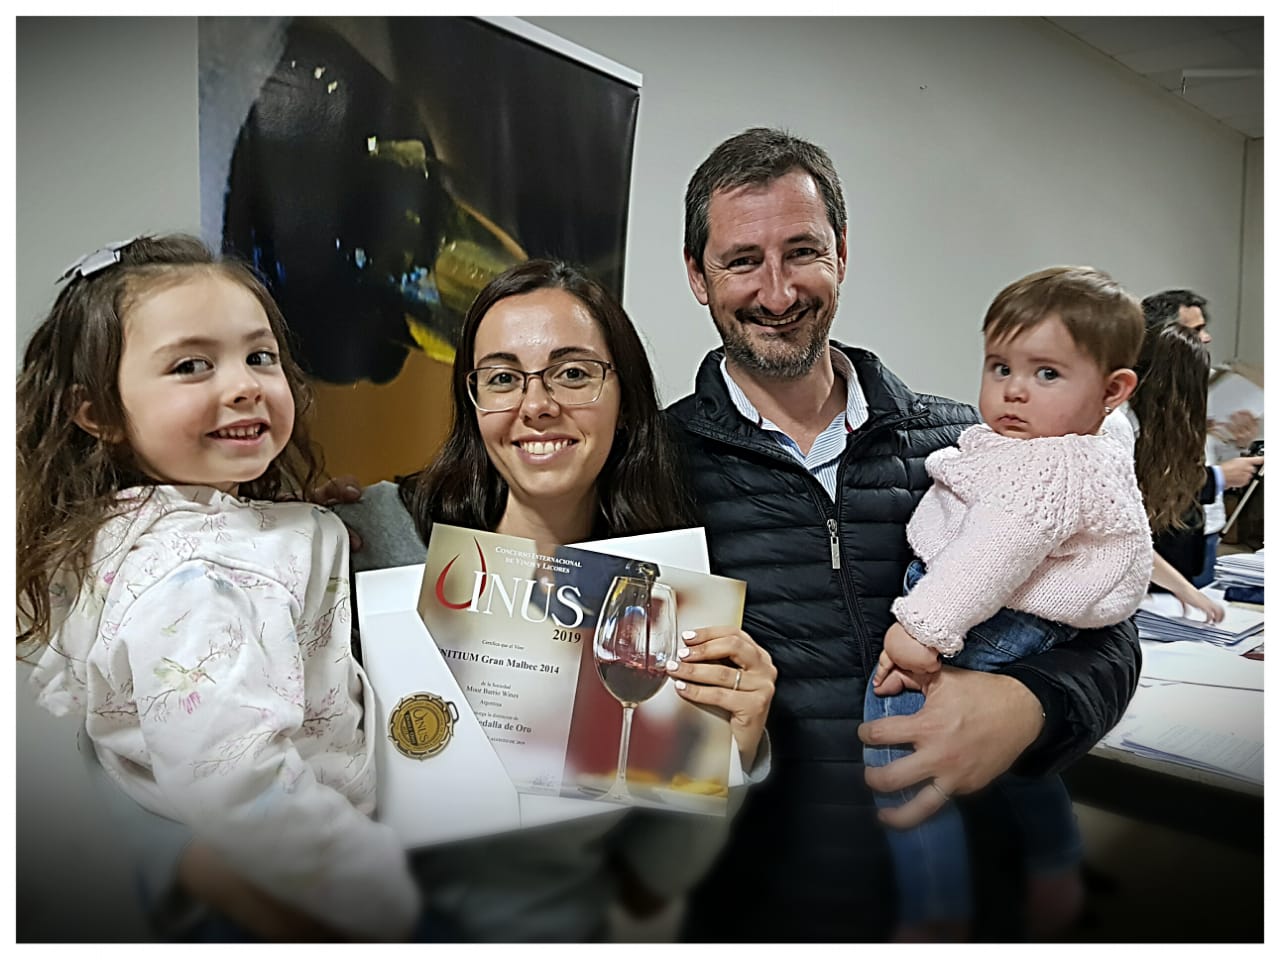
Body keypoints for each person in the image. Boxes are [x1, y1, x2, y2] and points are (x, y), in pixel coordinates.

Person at [62, 257, 777, 942]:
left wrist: (731, 748)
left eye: (573, 373)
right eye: (503, 378)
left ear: (624, 398)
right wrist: (192, 867)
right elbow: (146, 712)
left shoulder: (651, 605)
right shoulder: (369, 534)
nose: (537, 405)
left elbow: (650, 881)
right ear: (473, 399)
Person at [669, 127, 1143, 942]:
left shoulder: (972, 447)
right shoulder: (651, 467)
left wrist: (1030, 706)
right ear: (696, 276)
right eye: (742, 261)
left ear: (842, 254)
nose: (778, 293)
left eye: (803, 252)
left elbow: (1110, 632)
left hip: (981, 904)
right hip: (767, 915)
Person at [16, 234, 420, 941]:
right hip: (301, 887)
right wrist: (388, 898)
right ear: (97, 412)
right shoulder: (198, 579)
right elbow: (237, 778)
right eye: (190, 365)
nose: (244, 385)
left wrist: (301, 526)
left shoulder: (162, 532)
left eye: (259, 356)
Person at [862, 266, 1151, 940]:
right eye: (1000, 367)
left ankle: (934, 907)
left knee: (896, 726)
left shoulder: (1046, 464)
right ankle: (1055, 861)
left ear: (1113, 391)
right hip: (1013, 609)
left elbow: (991, 553)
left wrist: (919, 629)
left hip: (991, 611)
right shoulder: (1077, 443)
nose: (1014, 389)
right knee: (1019, 763)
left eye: (1046, 373)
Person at [1140, 289, 1263, 588]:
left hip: (1204, 527)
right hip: (1164, 535)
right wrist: (1218, 478)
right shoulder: (1140, 400)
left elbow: (1207, 451)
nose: (1206, 338)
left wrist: (1237, 442)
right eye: (1195, 330)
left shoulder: (1200, 383)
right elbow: (1148, 480)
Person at [1124, 322, 1228, 621]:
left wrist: (1183, 589)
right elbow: (1123, 534)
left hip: (1155, 578)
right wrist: (1182, 588)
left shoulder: (1158, 433)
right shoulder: (1121, 428)